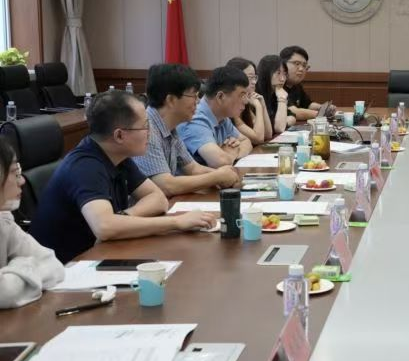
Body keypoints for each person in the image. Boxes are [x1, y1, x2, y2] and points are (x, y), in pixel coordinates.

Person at [30, 91, 216, 263]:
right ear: (119, 135)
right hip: (65, 270)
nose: (150, 133)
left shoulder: (117, 155)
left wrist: (123, 217)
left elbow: (158, 199)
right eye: (145, 126)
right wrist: (176, 222)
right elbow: (105, 227)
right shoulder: (85, 166)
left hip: (98, 254)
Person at [134, 64, 241, 197]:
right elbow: (166, 186)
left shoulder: (171, 128)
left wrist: (227, 175)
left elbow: (193, 168)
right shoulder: (146, 130)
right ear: (171, 100)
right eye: (193, 96)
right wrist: (217, 177)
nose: (198, 102)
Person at [0, 139, 64, 308]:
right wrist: (24, 264)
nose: (22, 181)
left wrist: (17, 271)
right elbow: (5, 293)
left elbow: (54, 265)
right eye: (15, 172)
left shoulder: (3, 220)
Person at [178, 66, 253, 167]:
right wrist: (229, 154)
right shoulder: (195, 119)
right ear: (220, 97)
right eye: (241, 95)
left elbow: (246, 142)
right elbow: (220, 162)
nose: (246, 101)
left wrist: (231, 153)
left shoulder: (222, 117)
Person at [279, 45, 335, 121]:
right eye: (297, 64)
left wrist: (323, 108)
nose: (301, 69)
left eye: (304, 65)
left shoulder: (296, 85)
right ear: (282, 65)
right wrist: (321, 115)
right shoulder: (277, 85)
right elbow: (292, 111)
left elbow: (308, 104)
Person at [226, 57, 273, 144]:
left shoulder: (246, 102)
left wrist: (262, 105)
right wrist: (258, 107)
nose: (254, 82)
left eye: (254, 77)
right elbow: (259, 138)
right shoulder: (231, 108)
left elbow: (268, 134)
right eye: (250, 78)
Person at [255, 54, 296, 134]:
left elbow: (292, 116)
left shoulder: (276, 93)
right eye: (278, 73)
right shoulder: (257, 96)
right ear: (266, 74)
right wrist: (282, 99)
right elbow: (279, 128)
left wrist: (285, 121)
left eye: (285, 74)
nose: (282, 79)